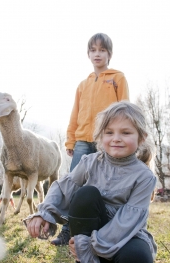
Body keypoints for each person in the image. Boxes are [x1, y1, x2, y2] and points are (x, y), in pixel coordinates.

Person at [25, 101, 157, 263]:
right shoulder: (90, 162)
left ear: (141, 137)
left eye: (126, 133)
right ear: (100, 136)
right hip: (91, 227)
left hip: (127, 234)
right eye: (109, 132)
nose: (116, 138)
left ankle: (106, 262)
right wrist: (43, 213)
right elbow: (63, 187)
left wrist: (89, 244)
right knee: (86, 194)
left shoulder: (144, 176)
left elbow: (128, 219)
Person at [51, 32, 130, 246]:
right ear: (88, 54)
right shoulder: (82, 85)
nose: (97, 54)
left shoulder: (117, 78)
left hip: (105, 142)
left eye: (102, 50)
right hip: (82, 142)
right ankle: (67, 230)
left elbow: (125, 111)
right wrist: (71, 141)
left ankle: (100, 231)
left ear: (109, 54)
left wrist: (119, 139)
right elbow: (75, 114)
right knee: (73, 185)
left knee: (102, 186)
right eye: (93, 50)